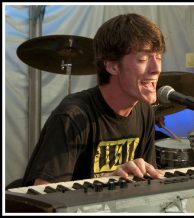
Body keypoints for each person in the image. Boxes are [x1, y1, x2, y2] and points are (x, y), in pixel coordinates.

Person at [22, 13, 166, 186]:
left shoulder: (144, 111)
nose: (156, 69)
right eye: (143, 59)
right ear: (112, 65)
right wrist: (107, 183)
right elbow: (44, 199)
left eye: (158, 57)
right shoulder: (72, 116)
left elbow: (144, 180)